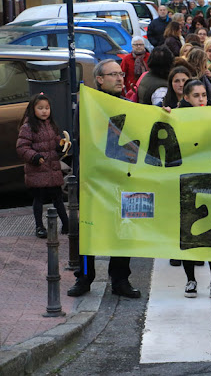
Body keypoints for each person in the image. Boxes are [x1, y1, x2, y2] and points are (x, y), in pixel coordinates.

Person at [67, 60, 140, 298]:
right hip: (94, 178)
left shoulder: (130, 105)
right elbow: (82, 136)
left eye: (121, 74)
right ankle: (85, 277)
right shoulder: (89, 105)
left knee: (122, 229)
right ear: (99, 79)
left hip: (123, 178)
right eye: (113, 75)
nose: (120, 78)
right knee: (89, 228)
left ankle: (120, 279)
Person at [173, 80, 211, 299]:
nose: (201, 99)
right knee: (188, 231)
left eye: (204, 95)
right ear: (186, 97)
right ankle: (190, 280)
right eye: (196, 95)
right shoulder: (176, 117)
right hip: (187, 183)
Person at [16, 94, 70, 239]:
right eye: (40, 108)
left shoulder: (51, 125)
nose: (44, 111)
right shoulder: (27, 127)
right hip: (37, 170)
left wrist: (62, 145)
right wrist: (34, 156)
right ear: (32, 110)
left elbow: (56, 140)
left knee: (58, 198)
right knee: (39, 199)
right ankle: (39, 226)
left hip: (52, 169)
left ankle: (66, 223)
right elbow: (22, 147)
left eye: (47, 108)